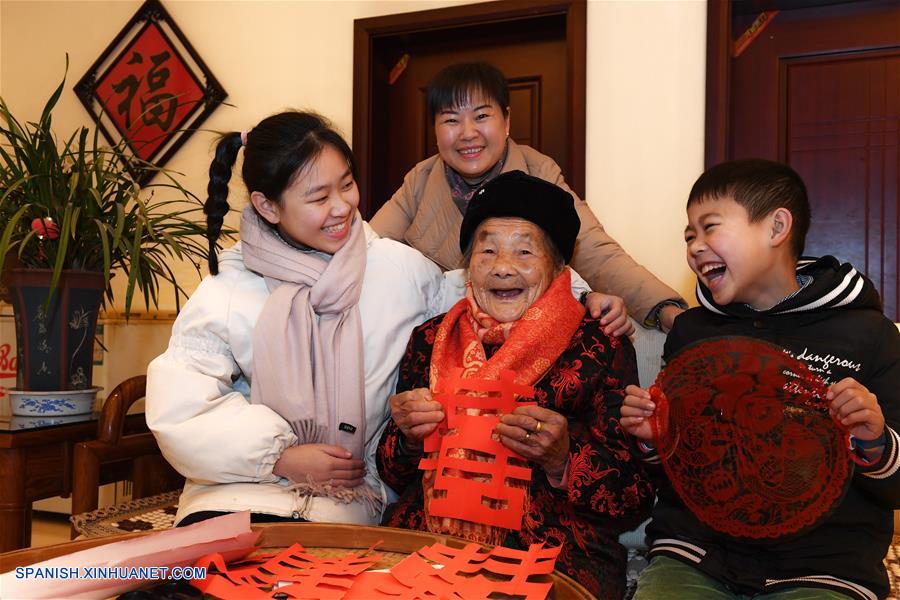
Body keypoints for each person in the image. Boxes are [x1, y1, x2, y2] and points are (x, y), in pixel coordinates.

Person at [145, 111, 450, 526]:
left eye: (347, 184)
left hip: (349, 503)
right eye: (319, 198)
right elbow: (182, 410)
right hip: (234, 496)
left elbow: (477, 322)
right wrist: (280, 458)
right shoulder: (230, 287)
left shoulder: (402, 273)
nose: (342, 207)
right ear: (267, 206)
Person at [621, 159, 900, 600]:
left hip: (823, 568)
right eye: (689, 236)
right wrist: (654, 439)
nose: (695, 247)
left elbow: (894, 486)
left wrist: (874, 440)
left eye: (710, 228)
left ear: (776, 228)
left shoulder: (868, 335)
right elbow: (675, 472)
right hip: (696, 555)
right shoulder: (693, 333)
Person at [376, 170, 655, 600]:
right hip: (426, 545)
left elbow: (632, 498)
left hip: (551, 555)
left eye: (525, 251)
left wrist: (564, 459)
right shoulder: (431, 339)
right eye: (487, 250)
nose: (503, 267)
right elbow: (393, 472)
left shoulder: (600, 344)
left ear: (559, 267)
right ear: (468, 265)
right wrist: (409, 436)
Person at [370, 61, 686, 333]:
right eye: (451, 120)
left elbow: (594, 250)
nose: (467, 133)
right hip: (448, 340)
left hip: (529, 338)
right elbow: (369, 250)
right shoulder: (421, 179)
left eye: (481, 116)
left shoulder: (538, 171)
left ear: (506, 120)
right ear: (435, 131)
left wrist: (664, 309)